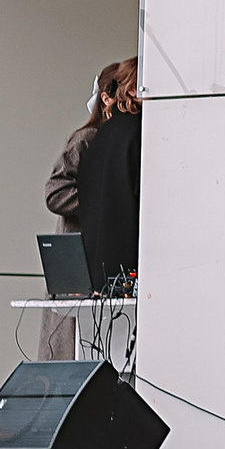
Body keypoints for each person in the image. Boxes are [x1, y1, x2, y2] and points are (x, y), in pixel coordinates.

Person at [41, 58, 131, 356]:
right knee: (74, 346)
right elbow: (55, 192)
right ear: (107, 99)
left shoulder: (117, 141)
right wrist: (102, 201)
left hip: (98, 255)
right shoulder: (87, 139)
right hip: (78, 257)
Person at [75, 57, 142, 296]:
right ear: (133, 89)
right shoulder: (140, 133)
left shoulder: (99, 138)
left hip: (99, 276)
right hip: (134, 272)